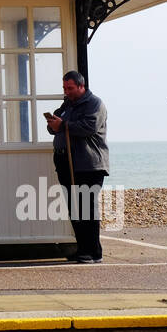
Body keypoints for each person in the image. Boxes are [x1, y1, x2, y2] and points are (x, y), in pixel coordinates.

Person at [44, 71, 109, 264]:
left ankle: (94, 252)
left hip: (88, 164)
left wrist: (63, 124)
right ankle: (83, 249)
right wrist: (53, 124)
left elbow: (88, 127)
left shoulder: (95, 104)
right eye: (65, 88)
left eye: (70, 88)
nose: (67, 92)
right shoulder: (67, 104)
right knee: (74, 207)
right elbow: (56, 124)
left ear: (82, 86)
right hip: (66, 162)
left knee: (86, 207)